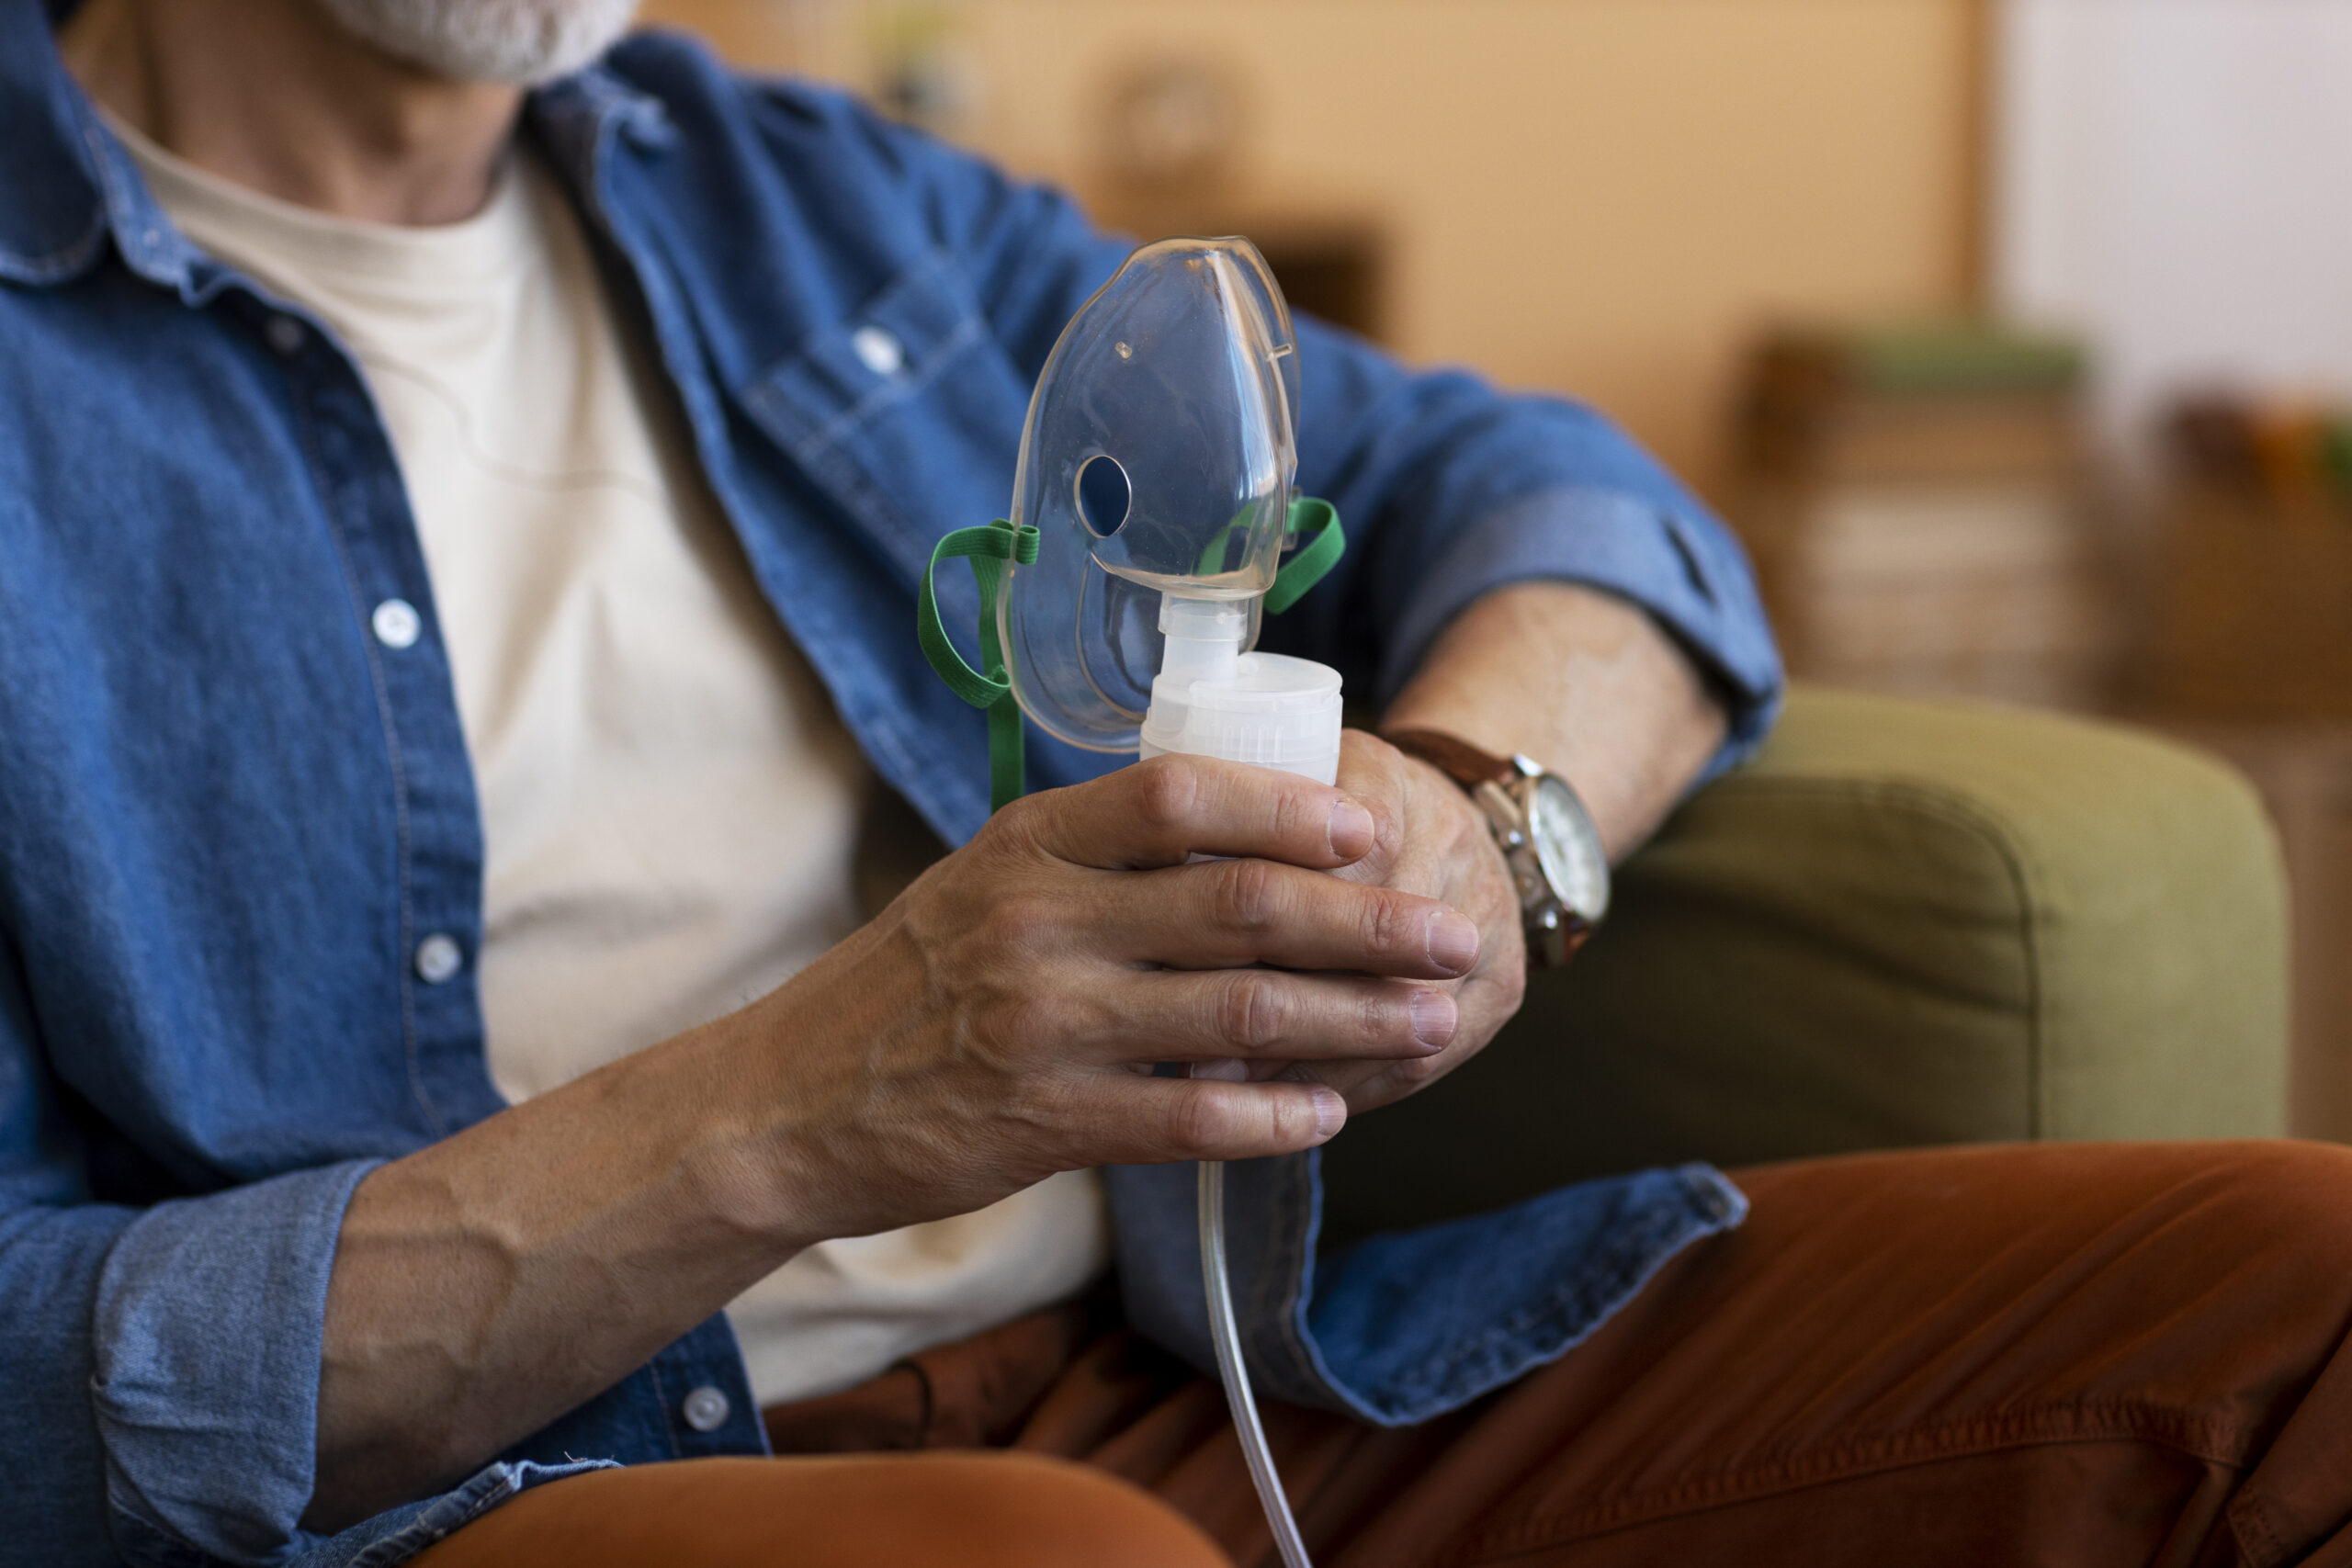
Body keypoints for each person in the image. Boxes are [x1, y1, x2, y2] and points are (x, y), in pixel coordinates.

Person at [4, 2, 2349, 1565]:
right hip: (540, 1495)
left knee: (2295, 1308)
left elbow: (1544, 485)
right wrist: (804, 1102)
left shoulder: (817, 209)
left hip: (1205, 1373)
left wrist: (1482, 814)